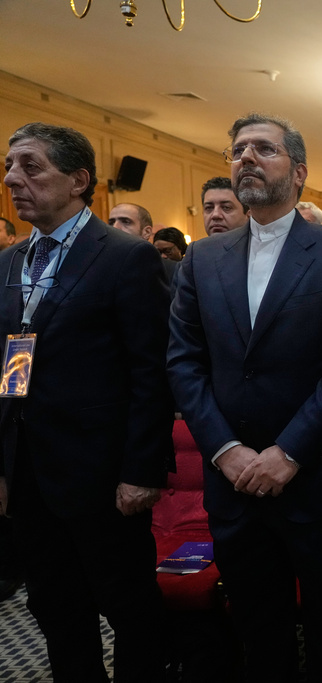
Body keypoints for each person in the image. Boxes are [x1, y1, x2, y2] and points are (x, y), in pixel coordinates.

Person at [167, 113, 322, 682]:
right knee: (258, 630)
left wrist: (288, 452)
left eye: (264, 149)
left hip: (317, 478)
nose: (246, 158)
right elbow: (184, 362)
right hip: (232, 483)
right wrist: (224, 449)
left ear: (300, 171)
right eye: (238, 150)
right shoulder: (202, 258)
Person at [0, 122, 173, 681]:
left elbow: (151, 373)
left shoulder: (124, 258)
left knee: (129, 607)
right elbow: (11, 368)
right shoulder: (8, 262)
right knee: (54, 607)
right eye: (8, 166)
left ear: (79, 180)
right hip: (29, 473)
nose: (11, 179)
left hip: (105, 476)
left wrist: (141, 470)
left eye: (30, 166)